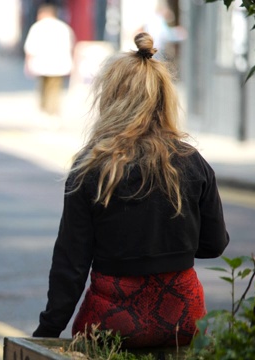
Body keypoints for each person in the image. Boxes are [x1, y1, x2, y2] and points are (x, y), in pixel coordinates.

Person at [32, 32, 230, 348]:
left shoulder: (91, 166)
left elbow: (71, 266)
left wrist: (46, 333)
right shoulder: (193, 162)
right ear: (165, 97)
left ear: (110, 98)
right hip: (182, 320)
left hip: (111, 324)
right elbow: (214, 244)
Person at [23, 4, 75, 119]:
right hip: (59, 64)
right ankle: (53, 111)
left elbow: (30, 47)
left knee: (43, 87)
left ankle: (46, 109)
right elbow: (71, 46)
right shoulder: (64, 27)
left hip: (42, 63)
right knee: (55, 89)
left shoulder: (37, 27)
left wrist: (27, 63)